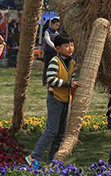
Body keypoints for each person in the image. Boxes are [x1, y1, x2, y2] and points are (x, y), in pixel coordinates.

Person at [25, 35, 79, 168]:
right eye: (66, 46)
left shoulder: (71, 63)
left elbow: (71, 77)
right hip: (55, 99)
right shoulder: (55, 61)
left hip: (66, 100)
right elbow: (51, 79)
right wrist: (69, 84)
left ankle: (52, 160)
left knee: (60, 133)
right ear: (58, 48)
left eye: (71, 45)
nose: (70, 48)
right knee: (51, 130)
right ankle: (33, 157)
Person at [41, 17, 61, 86]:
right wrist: (55, 47)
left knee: (54, 67)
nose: (57, 27)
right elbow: (48, 40)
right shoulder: (47, 31)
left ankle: (53, 81)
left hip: (55, 53)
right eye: (56, 25)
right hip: (48, 52)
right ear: (52, 24)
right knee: (46, 67)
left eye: (58, 25)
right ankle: (45, 82)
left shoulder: (57, 33)